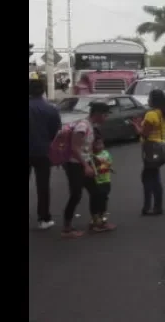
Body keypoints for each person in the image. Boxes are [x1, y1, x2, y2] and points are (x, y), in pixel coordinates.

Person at [61, 102, 111, 238]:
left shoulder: (90, 126)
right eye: (105, 115)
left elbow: (85, 148)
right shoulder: (82, 126)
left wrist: (94, 154)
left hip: (84, 163)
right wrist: (86, 165)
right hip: (75, 165)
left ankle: (96, 223)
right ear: (98, 114)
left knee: (95, 192)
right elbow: (75, 147)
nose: (106, 119)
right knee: (76, 195)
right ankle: (67, 228)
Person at [29, 78, 61, 230]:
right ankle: (43, 218)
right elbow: (56, 134)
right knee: (43, 186)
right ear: (43, 91)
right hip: (43, 151)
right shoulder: (51, 109)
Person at [137, 89, 165, 215]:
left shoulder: (151, 114)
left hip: (151, 148)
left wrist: (137, 127)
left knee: (147, 178)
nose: (148, 100)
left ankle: (147, 207)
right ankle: (158, 206)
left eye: (149, 98)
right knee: (155, 177)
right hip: (161, 147)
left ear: (154, 100)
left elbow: (145, 134)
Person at [89, 134, 114, 229]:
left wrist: (107, 166)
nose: (99, 146)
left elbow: (109, 163)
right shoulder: (91, 156)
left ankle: (102, 216)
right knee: (96, 199)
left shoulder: (106, 153)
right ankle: (95, 217)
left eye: (101, 143)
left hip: (106, 180)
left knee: (104, 198)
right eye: (96, 144)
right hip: (96, 181)